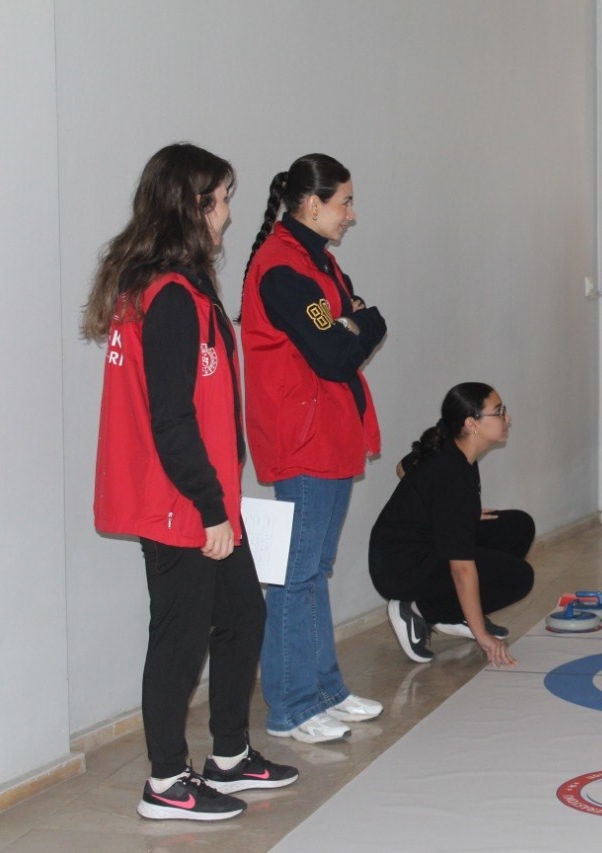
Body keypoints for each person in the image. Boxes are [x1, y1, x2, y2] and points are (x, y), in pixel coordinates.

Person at [85, 143, 296, 821]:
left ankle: (228, 753)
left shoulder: (179, 287)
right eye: (222, 199)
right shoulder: (171, 296)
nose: (229, 213)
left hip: (204, 499)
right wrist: (211, 507)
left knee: (243, 613)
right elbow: (171, 420)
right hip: (180, 503)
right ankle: (166, 782)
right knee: (178, 639)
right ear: (191, 205)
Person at [240, 154, 387, 743]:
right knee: (294, 577)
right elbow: (335, 350)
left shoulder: (316, 262)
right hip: (302, 441)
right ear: (311, 204)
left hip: (329, 435)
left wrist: (357, 322)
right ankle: (292, 706)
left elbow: (346, 328)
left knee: (313, 572)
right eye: (344, 202)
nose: (351, 214)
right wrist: (366, 321)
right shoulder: (282, 270)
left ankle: (325, 689)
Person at [370, 383, 534, 665]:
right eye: (499, 412)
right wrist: (482, 635)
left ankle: (452, 612)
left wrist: (455, 512)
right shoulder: (452, 476)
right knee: (519, 577)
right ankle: (420, 610)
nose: (507, 418)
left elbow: (403, 468)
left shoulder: (451, 440)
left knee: (517, 527)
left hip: (422, 544)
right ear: (472, 424)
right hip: (400, 566)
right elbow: (462, 569)